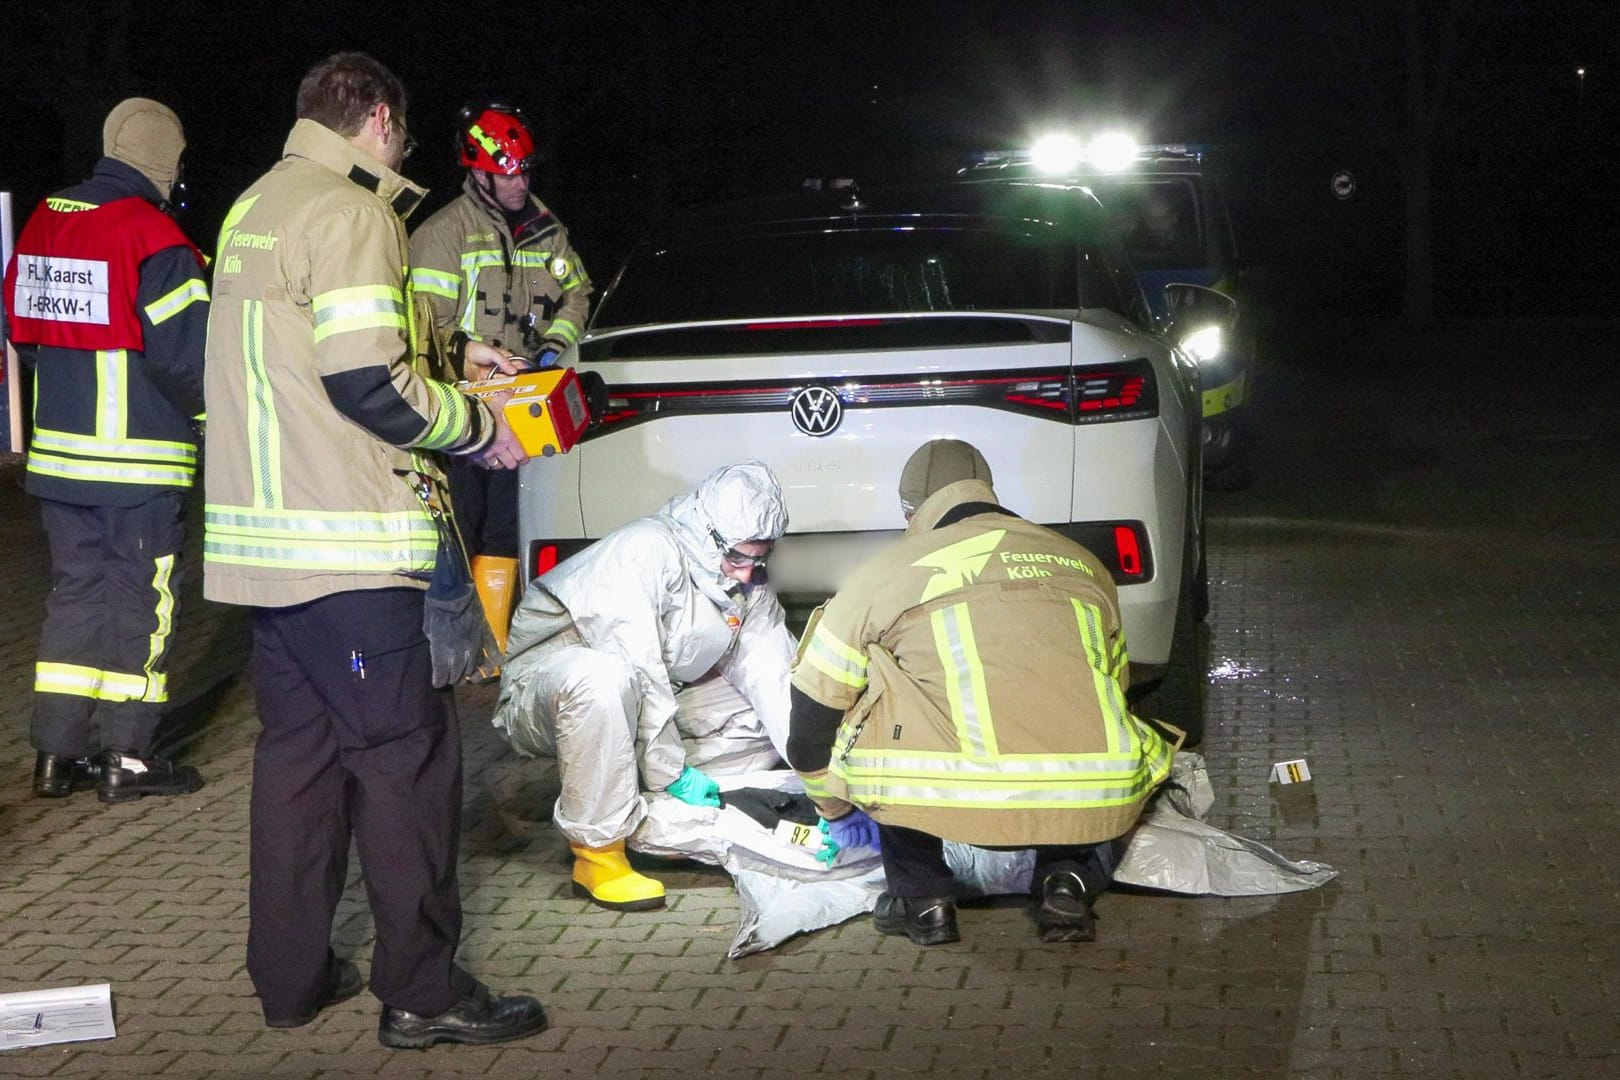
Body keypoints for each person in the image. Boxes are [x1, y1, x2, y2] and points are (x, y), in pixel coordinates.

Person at [203, 51, 546, 1049]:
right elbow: (366, 388)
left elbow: (318, 361)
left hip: (271, 556)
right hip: (352, 552)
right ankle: (423, 990)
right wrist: (480, 424)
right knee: (405, 770)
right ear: (384, 122)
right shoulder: (355, 213)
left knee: (298, 767)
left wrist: (449, 356)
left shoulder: (255, 206)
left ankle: (291, 978)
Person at [786, 439, 1176, 946]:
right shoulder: (1083, 564)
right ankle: (1067, 880)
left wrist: (833, 810)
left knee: (870, 700)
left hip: (943, 791)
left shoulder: (883, 574)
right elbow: (1116, 686)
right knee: (1082, 710)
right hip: (1090, 786)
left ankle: (923, 900)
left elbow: (812, 713)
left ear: (911, 511)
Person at [2, 97, 208, 802]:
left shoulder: (46, 220)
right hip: (138, 464)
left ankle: (56, 756)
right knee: (143, 605)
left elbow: (21, 333)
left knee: (75, 595)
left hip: (58, 460)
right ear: (165, 162)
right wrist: (217, 420)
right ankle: (129, 756)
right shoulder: (155, 238)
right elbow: (188, 360)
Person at [493, 461, 795, 911]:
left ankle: (647, 802)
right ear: (708, 533)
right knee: (601, 679)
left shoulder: (742, 581)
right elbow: (637, 666)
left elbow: (775, 676)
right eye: (738, 558)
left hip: (641, 693)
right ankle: (599, 853)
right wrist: (670, 771)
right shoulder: (645, 550)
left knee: (757, 712)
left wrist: (826, 779)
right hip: (548, 689)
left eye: (759, 559)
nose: (748, 574)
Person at [409, 101, 593, 642]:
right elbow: (423, 327)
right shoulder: (443, 235)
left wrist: (550, 351)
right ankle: (452, 640)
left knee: (507, 528)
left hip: (524, 406)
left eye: (524, 169)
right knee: (460, 526)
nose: (519, 181)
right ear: (478, 174)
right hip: (460, 409)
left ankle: (490, 646)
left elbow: (577, 293)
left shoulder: (546, 230)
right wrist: (469, 357)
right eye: (506, 172)